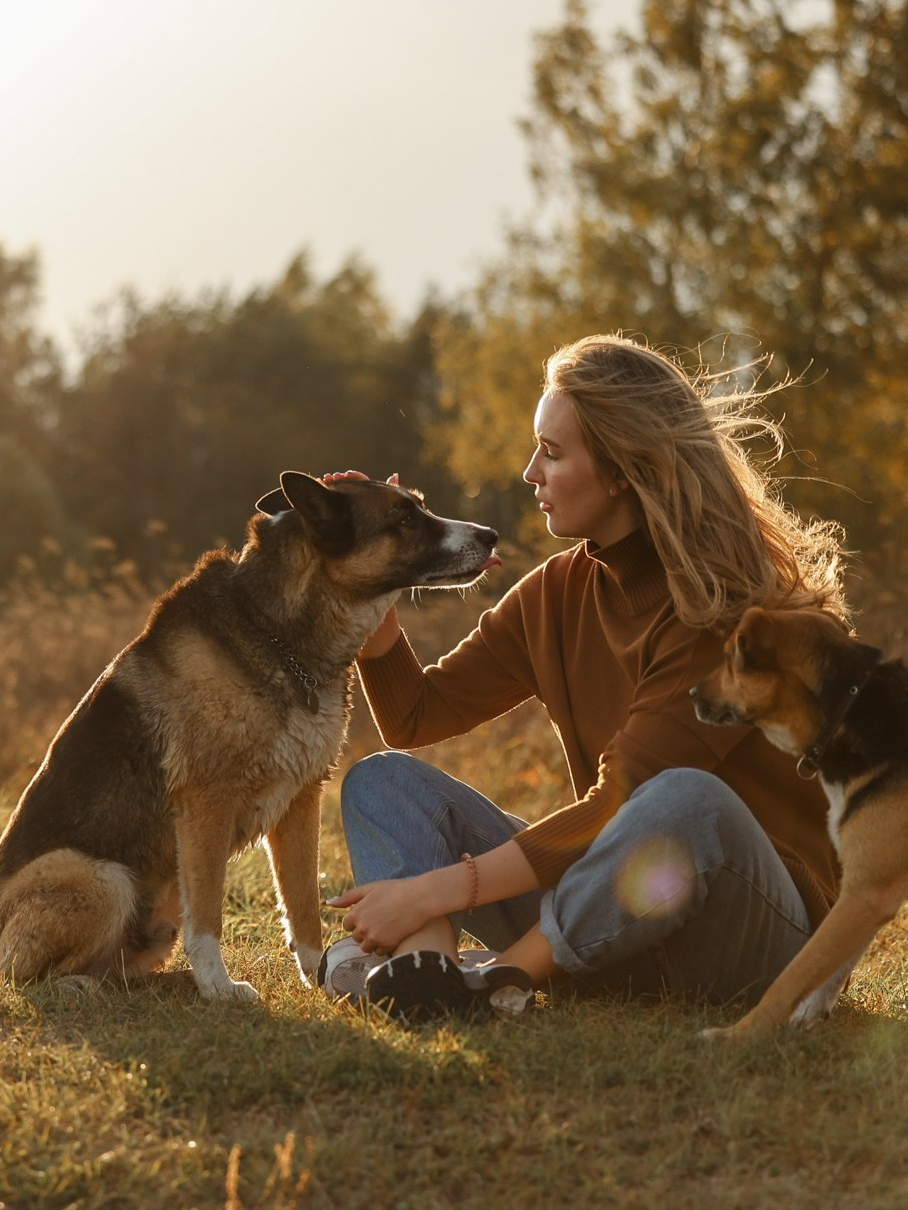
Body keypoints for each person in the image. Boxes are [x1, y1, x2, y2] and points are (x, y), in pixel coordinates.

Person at [321, 333, 848, 1020]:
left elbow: (620, 806)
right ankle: (430, 973)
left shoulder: (726, 611)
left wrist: (436, 889)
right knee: (382, 781)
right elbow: (418, 714)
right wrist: (380, 576)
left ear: (623, 470)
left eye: (554, 451)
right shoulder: (558, 591)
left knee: (684, 800)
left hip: (757, 936)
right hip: (618, 903)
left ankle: (502, 978)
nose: (529, 471)